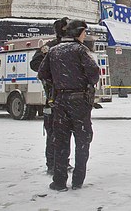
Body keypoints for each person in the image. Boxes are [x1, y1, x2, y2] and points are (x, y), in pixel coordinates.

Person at [38, 20, 99, 192]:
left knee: (61, 142)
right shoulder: (80, 50)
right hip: (79, 101)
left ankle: (59, 181)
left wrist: (57, 84)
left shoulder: (54, 50)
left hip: (60, 101)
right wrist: (84, 82)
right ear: (79, 32)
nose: (85, 35)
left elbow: (42, 73)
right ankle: (78, 180)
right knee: (82, 141)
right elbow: (94, 73)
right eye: (84, 32)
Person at [30, 17, 69, 173]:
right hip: (53, 97)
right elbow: (34, 64)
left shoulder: (72, 46)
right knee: (53, 132)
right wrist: (51, 73)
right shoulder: (51, 47)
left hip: (69, 98)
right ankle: (51, 164)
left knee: (66, 133)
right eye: (66, 27)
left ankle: (63, 162)